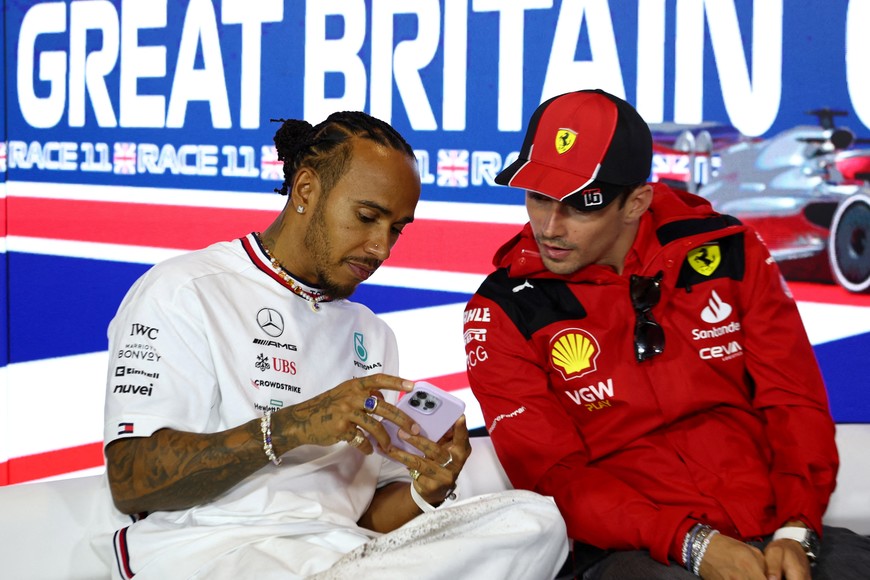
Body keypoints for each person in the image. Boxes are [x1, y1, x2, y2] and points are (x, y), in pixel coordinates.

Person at [99, 111, 568, 580]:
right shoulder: (186, 290)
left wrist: (427, 489)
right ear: (306, 190)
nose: (381, 248)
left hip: (341, 556)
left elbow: (360, 518)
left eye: (397, 229)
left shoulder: (372, 333)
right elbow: (131, 480)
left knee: (535, 520)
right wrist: (291, 426)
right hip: (217, 552)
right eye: (367, 217)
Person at [463, 89, 870, 579]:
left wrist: (796, 528)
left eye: (580, 206)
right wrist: (692, 544)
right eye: (537, 198)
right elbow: (557, 477)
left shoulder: (730, 252)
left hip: (772, 529)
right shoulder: (503, 309)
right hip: (629, 550)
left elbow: (793, 402)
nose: (551, 226)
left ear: (636, 202)